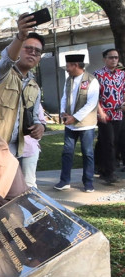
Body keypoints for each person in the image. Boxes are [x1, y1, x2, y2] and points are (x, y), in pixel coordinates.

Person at [0, 13, 45, 158]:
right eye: (28, 48)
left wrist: (40, 127)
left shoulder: (34, 87)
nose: (33, 53)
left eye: (37, 52)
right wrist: (21, 36)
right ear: (19, 49)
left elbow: (35, 117)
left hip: (13, 151)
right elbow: (7, 61)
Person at [54, 54, 99, 193]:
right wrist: (62, 112)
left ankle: (88, 182)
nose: (66, 69)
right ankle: (64, 181)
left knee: (87, 153)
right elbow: (64, 97)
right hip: (69, 124)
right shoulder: (69, 80)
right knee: (67, 152)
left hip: (86, 125)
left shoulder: (92, 80)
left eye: (68, 66)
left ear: (75, 65)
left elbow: (91, 103)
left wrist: (75, 117)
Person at [93, 48, 125, 184]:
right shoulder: (98, 75)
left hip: (119, 113)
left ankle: (99, 165)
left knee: (111, 141)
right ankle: (109, 172)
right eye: (111, 57)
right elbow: (94, 96)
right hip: (104, 114)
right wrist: (100, 112)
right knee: (109, 142)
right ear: (104, 59)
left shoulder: (122, 75)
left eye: (116, 57)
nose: (114, 60)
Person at [21, 103, 47, 188]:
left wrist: (40, 128)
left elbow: (42, 122)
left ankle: (30, 200)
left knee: (29, 184)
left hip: (28, 148)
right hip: (5, 150)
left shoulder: (33, 97)